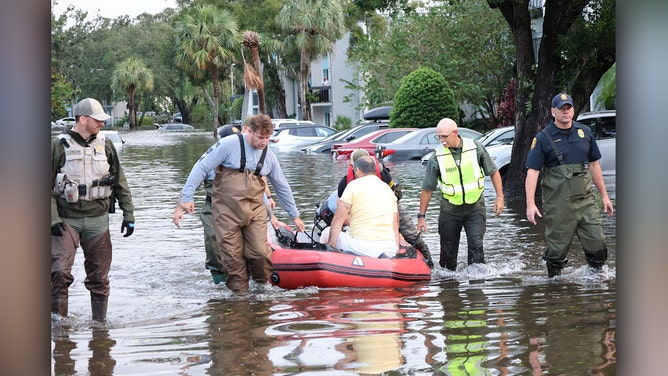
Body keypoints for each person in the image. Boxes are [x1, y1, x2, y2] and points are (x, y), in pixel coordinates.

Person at [179, 114, 305, 292]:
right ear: (249, 132)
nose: (264, 142)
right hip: (226, 212)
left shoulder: (269, 156)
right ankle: (239, 300)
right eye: (260, 137)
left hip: (254, 212)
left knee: (261, 253)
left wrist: (295, 215)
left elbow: (281, 185)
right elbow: (202, 166)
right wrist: (187, 196)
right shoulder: (229, 144)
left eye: (267, 138)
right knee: (233, 258)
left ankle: (261, 290)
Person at [51, 98, 135, 321]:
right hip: (66, 220)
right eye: (98, 120)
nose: (102, 123)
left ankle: (100, 329)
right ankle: (59, 329)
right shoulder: (58, 145)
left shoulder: (106, 144)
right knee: (59, 272)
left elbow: (120, 181)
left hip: (98, 219)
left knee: (99, 277)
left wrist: (129, 214)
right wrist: (52, 219)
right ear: (83, 119)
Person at [172, 123, 279, 285]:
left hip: (242, 209)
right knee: (214, 246)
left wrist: (271, 215)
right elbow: (191, 183)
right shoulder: (211, 161)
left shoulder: (243, 161)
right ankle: (220, 282)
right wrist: (179, 208)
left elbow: (257, 189)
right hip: (213, 208)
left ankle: (248, 280)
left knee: (248, 248)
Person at [525, 93, 614, 277]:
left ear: (573, 110)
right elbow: (532, 172)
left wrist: (604, 196)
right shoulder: (543, 138)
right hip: (558, 205)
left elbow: (594, 165)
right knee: (557, 252)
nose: (566, 112)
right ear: (553, 111)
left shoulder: (585, 132)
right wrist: (530, 204)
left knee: (598, 245)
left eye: (569, 108)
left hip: (586, 202)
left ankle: (596, 283)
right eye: (561, 108)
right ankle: (554, 285)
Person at [417, 118, 504, 271]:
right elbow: (427, 189)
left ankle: (476, 288)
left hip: (475, 208)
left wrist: (499, 197)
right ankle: (449, 289)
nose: (441, 140)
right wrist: (421, 217)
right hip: (450, 211)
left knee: (476, 247)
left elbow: (493, 172)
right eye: (438, 137)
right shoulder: (436, 156)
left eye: (444, 136)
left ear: (455, 133)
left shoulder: (475, 148)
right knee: (448, 256)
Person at [336, 149, 432, 265]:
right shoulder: (345, 184)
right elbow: (342, 211)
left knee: (411, 235)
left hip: (390, 205)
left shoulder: (382, 175)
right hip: (361, 210)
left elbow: (393, 200)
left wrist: (397, 233)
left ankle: (428, 262)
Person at [321, 155, 400, 258]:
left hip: (362, 246)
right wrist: (396, 251)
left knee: (326, 232)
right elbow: (395, 224)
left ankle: (327, 260)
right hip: (389, 248)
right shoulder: (388, 190)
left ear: (357, 170)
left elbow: (338, 218)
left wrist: (331, 247)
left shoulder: (353, 185)